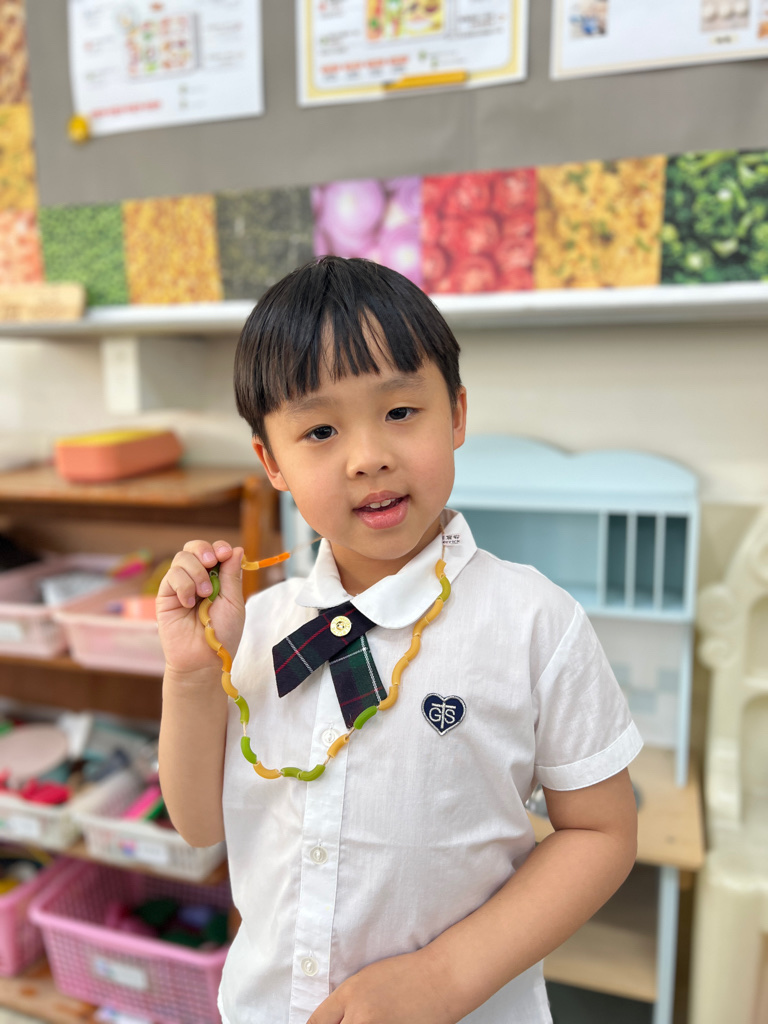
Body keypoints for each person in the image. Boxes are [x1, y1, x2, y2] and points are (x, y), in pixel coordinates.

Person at [157, 255, 642, 1024]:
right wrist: (190, 675)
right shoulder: (253, 630)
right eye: (320, 430)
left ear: (456, 415)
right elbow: (198, 826)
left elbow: (604, 832)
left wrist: (443, 979)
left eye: (401, 412)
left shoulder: (533, 621)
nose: (369, 457)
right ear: (272, 462)